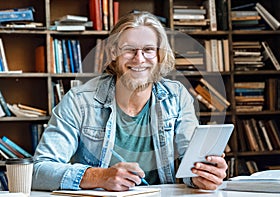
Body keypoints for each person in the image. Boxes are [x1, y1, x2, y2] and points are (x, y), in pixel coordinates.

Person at [32, 11, 227, 191]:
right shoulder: (78, 100)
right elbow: (39, 171)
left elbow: (190, 163)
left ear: (159, 55)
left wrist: (202, 175)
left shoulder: (176, 97)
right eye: (129, 49)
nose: (139, 59)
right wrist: (100, 177)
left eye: (148, 49)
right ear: (113, 54)